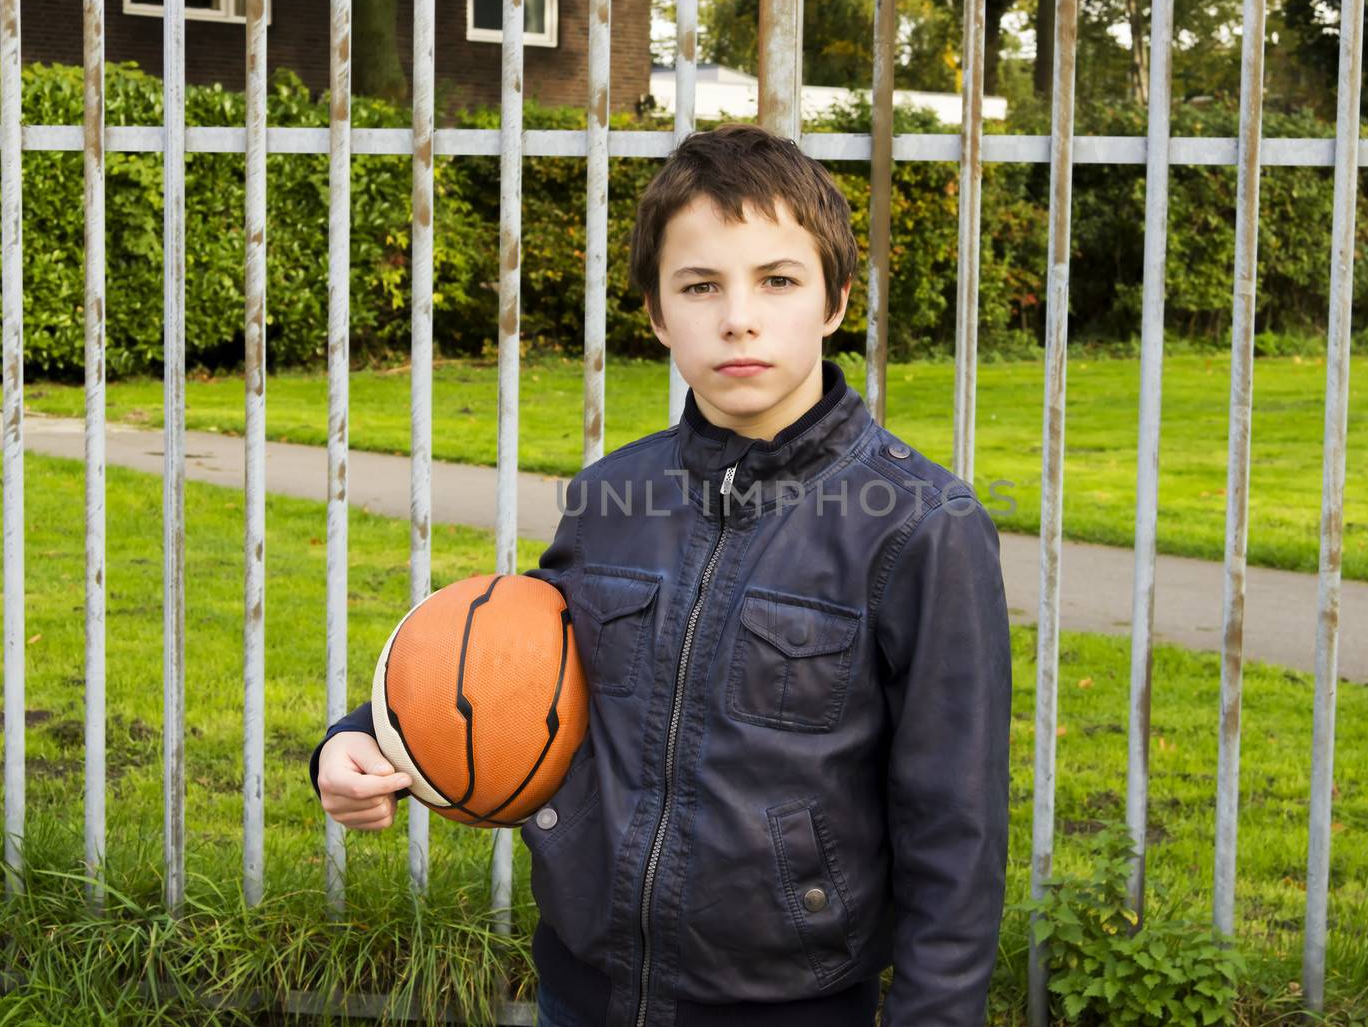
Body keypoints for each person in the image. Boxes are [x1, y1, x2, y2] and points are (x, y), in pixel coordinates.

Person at [311, 122, 1012, 1027]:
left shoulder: (923, 528)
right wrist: (358, 739)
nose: (738, 317)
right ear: (655, 313)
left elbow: (955, 830)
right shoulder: (611, 496)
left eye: (778, 280)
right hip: (583, 987)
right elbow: (512, 662)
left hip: (785, 1005)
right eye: (700, 285)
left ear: (836, 300)